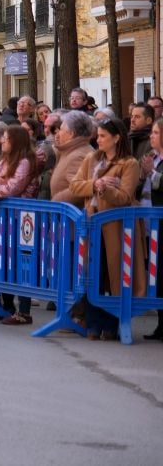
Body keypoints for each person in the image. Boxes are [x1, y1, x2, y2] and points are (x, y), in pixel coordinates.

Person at [69, 119, 142, 340]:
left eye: (102, 136)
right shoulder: (92, 159)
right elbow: (74, 185)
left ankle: (112, 325)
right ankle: (93, 324)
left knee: (114, 276)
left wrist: (106, 190)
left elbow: (125, 197)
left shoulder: (129, 164)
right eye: (97, 135)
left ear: (116, 137)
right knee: (93, 274)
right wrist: (95, 184)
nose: (98, 140)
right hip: (92, 224)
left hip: (116, 228)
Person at [0, 125, 40, 325]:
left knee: (22, 262)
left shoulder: (24, 162)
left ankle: (24, 311)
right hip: (5, 217)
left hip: (21, 218)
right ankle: (5, 306)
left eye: (6, 138)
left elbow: (12, 188)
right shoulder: (6, 160)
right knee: (5, 261)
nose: (2, 142)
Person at [138, 118, 163, 341]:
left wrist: (153, 173)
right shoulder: (152, 158)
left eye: (155, 132)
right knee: (156, 272)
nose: (151, 136)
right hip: (148, 221)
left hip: (160, 221)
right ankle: (160, 324)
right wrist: (143, 174)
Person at [49, 111, 95, 205]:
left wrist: (56, 201)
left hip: (72, 216)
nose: (57, 134)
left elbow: (81, 189)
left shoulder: (78, 156)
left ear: (71, 134)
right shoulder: (71, 151)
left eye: (61, 130)